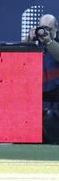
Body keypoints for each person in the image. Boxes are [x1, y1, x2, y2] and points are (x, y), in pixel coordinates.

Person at [27, 14, 59, 143]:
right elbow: (19, 56)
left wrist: (49, 42)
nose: (45, 32)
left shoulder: (53, 43)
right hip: (37, 92)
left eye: (49, 29)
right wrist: (29, 39)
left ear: (56, 29)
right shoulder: (35, 44)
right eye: (42, 28)